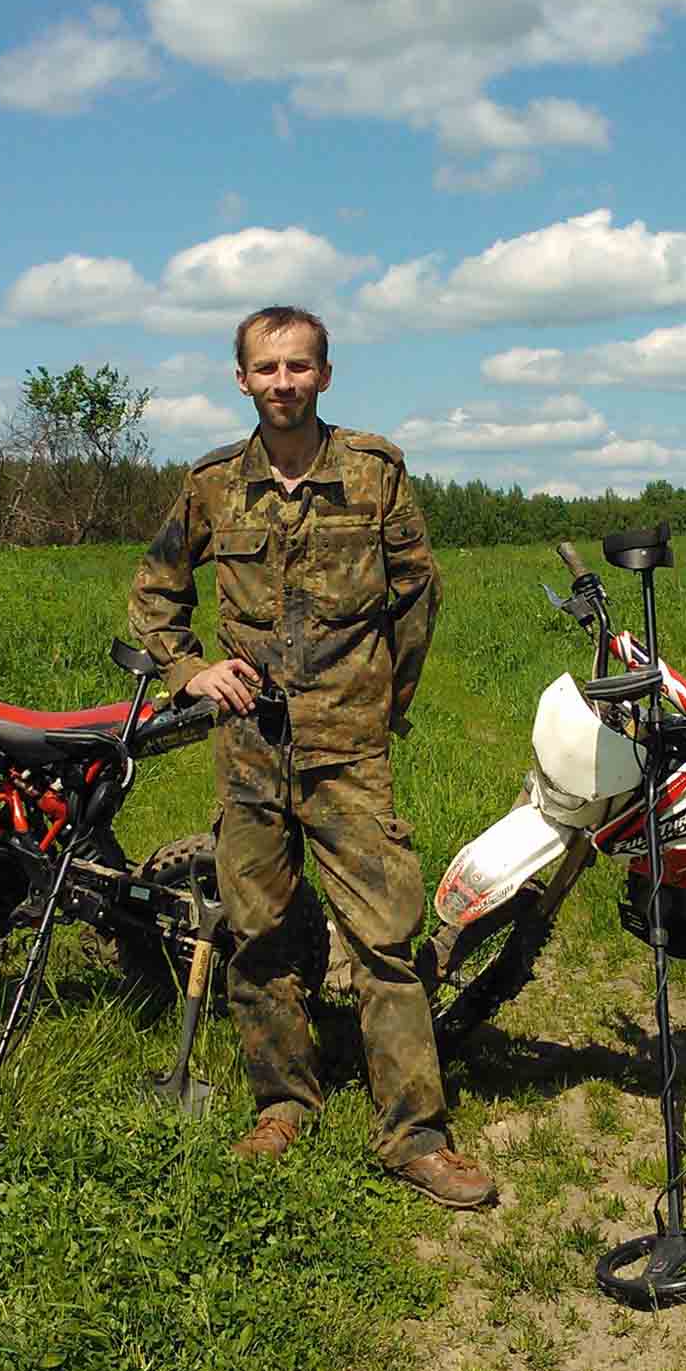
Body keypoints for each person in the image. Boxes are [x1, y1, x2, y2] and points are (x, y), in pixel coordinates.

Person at [127, 304, 496, 1209]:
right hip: (251, 752)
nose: (283, 382)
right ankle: (283, 1105)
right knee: (259, 937)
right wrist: (189, 671)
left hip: (348, 753)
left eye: (299, 366)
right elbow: (155, 591)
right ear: (241, 379)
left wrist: (383, 702)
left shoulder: (372, 472)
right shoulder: (213, 484)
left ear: (325, 375)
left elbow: (417, 595)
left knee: (385, 940)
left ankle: (414, 1135)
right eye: (267, 367)